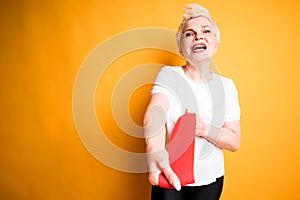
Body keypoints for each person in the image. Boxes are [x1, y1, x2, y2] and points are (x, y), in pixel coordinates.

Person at [143, 3, 241, 200]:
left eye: (206, 31)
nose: (198, 36)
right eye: (189, 34)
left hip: (211, 181)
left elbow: (234, 141)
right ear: (181, 48)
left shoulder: (227, 86)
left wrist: (203, 129)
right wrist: (154, 148)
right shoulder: (169, 75)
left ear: (216, 43)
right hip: (169, 175)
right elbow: (156, 112)